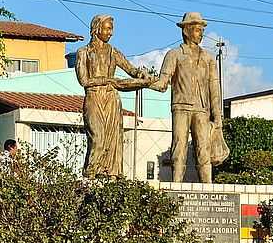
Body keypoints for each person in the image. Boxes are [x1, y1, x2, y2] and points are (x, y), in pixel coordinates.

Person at [151, 12, 226, 183]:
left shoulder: (208, 58)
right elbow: (163, 82)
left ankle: (207, 185)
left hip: (201, 109)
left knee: (204, 148)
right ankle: (176, 184)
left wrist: (218, 116)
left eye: (201, 30)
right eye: (198, 30)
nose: (201, 34)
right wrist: (144, 81)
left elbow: (214, 88)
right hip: (181, 106)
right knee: (179, 146)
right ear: (186, 31)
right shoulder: (174, 54)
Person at [75, 15, 152, 178]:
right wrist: (108, 80)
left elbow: (131, 69)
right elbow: (83, 80)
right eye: (107, 28)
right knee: (98, 137)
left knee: (113, 141)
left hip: (111, 99)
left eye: (111, 29)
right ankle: (90, 174)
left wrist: (141, 74)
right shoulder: (83, 52)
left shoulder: (113, 52)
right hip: (94, 98)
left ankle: (110, 174)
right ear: (97, 29)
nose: (111, 33)